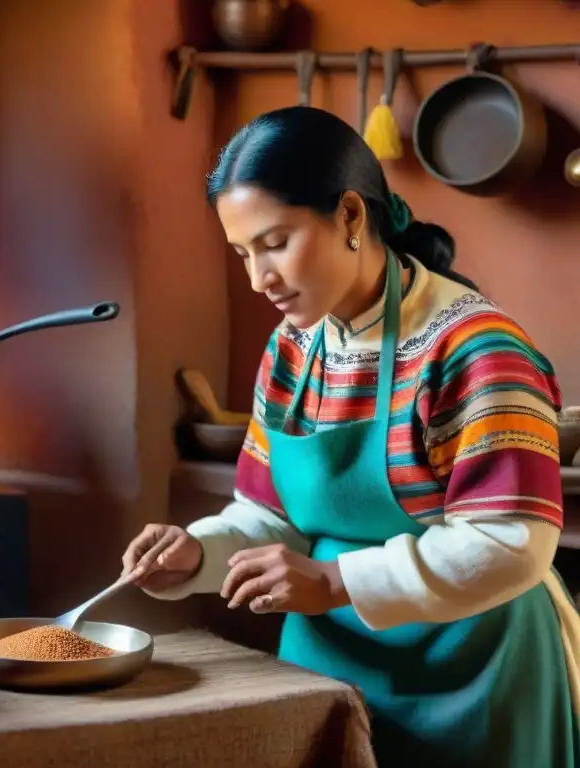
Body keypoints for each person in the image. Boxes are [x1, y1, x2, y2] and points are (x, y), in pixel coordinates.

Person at [122, 106, 580, 767]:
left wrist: (335, 583)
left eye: (275, 243)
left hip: (477, 667)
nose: (259, 279)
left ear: (351, 218)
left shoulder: (476, 350)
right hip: (329, 660)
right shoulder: (291, 351)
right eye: (243, 253)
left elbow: (512, 545)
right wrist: (197, 554)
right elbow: (270, 516)